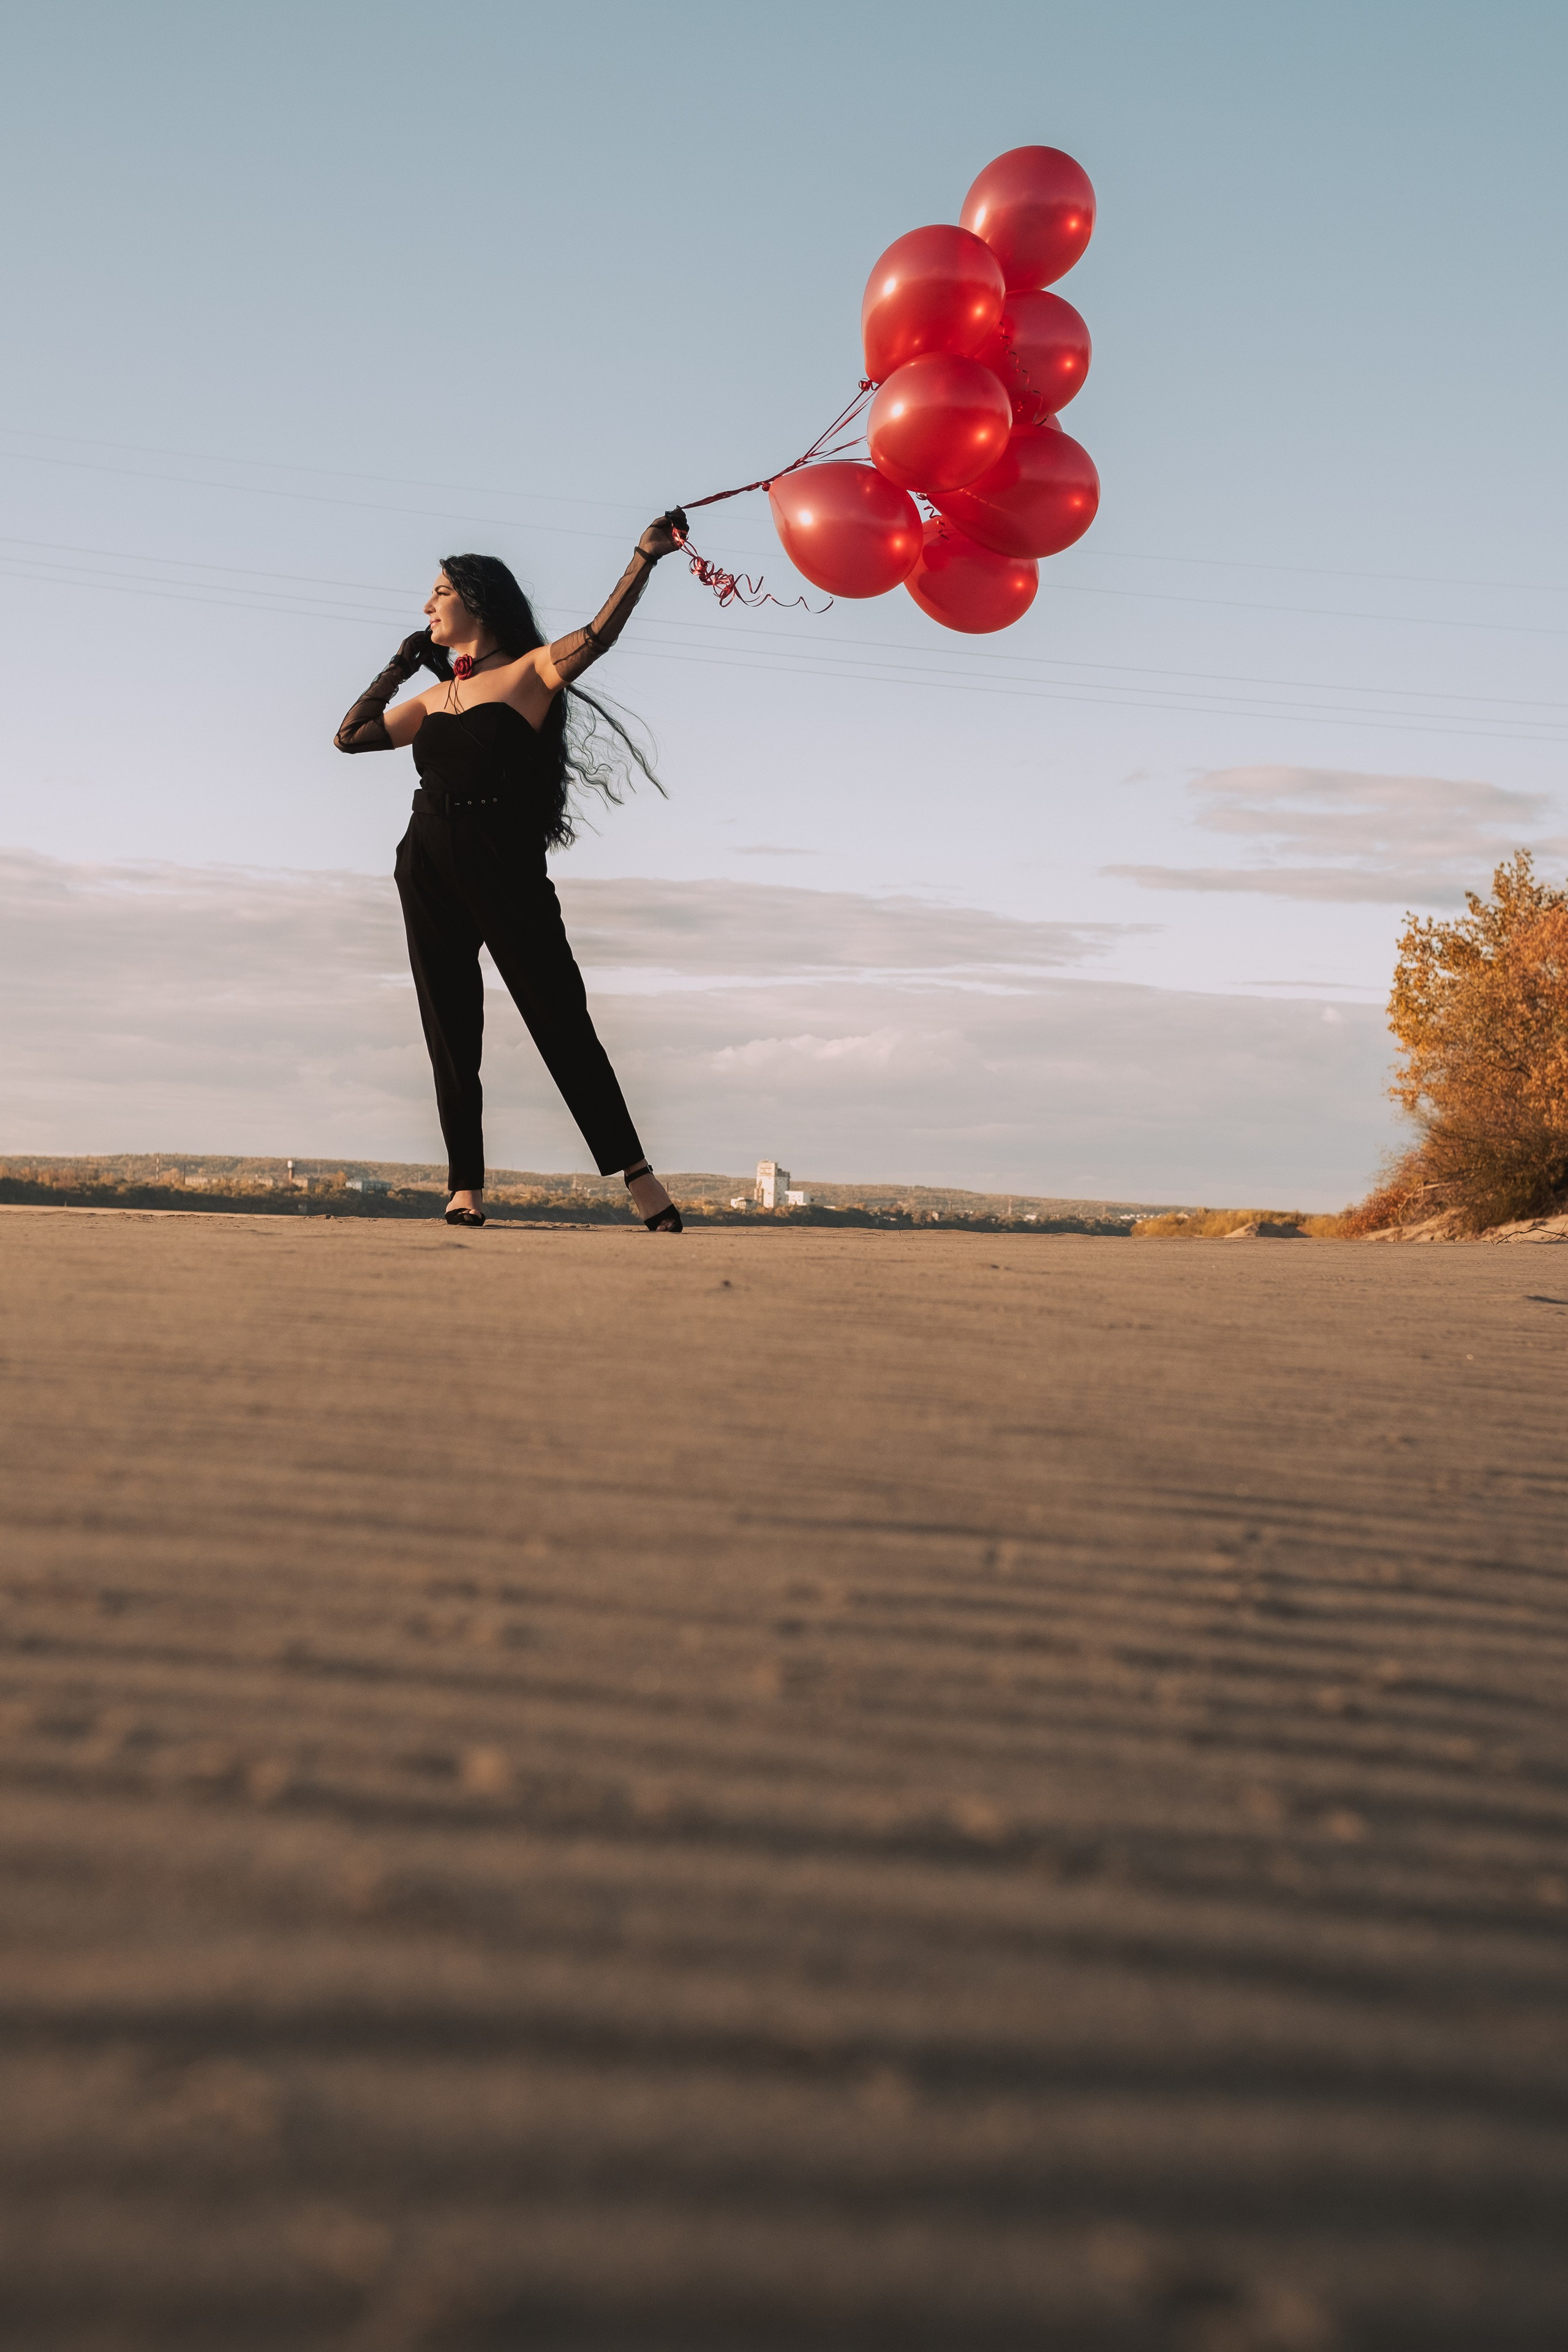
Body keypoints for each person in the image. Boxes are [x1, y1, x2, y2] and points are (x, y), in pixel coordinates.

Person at [334, 517, 687, 1231]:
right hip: (425, 861)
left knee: (560, 1016)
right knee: (450, 1025)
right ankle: (465, 1185)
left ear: (479, 602)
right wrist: (403, 664)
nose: (428, 607)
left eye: (439, 594)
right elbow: (351, 736)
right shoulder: (434, 699)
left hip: (504, 865)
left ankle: (637, 1175)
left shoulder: (529, 675)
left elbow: (598, 635)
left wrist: (642, 559)